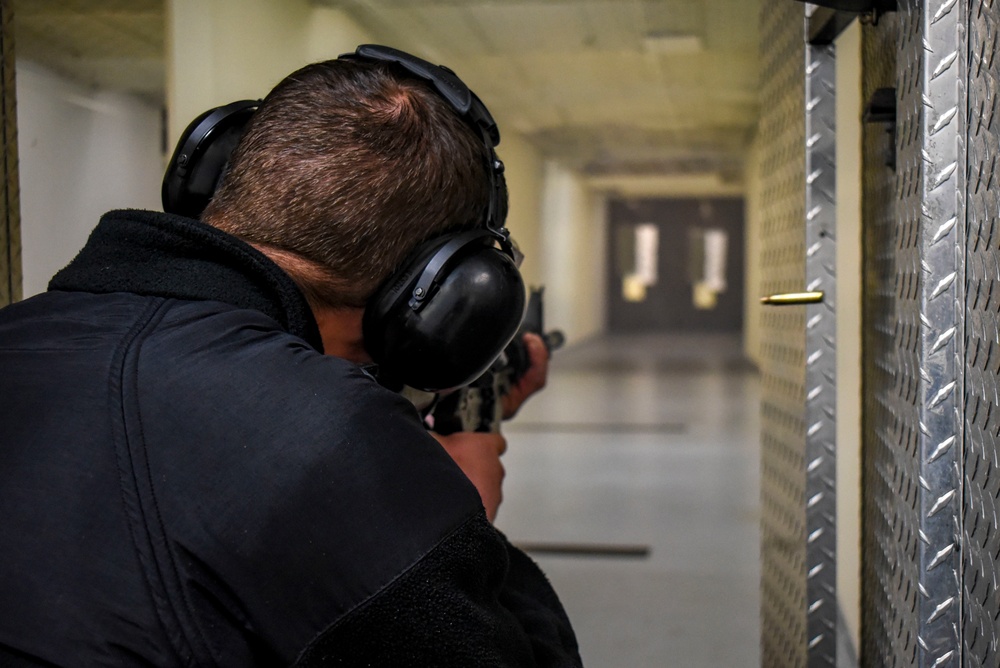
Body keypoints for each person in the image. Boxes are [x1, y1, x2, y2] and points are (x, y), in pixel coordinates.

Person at [0, 45, 581, 666]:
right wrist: (458, 502)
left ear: (214, 177)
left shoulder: (18, 335)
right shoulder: (339, 445)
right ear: (440, 296)